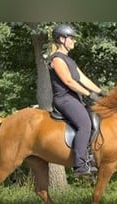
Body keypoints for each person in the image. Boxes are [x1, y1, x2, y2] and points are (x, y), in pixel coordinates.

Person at [48, 24, 104, 177]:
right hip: (64, 99)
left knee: (95, 118)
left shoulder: (68, 60)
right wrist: (88, 94)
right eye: (71, 38)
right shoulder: (57, 59)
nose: (74, 41)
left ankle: (90, 155)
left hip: (74, 98)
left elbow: (83, 78)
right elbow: (68, 81)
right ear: (61, 39)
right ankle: (80, 164)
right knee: (85, 123)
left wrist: (100, 92)